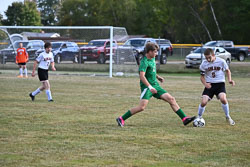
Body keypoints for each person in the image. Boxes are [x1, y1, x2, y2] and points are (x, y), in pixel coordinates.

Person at [116, 42, 196, 127]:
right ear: (149, 52)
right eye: (155, 51)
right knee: (141, 107)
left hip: (156, 85)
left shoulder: (152, 58)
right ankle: (121, 118)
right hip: (147, 87)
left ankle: (184, 118)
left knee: (171, 99)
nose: (156, 53)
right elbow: (142, 76)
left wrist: (157, 77)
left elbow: (151, 71)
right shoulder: (144, 62)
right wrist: (150, 87)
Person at [197, 48, 235, 125]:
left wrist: (230, 80)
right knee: (204, 102)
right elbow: (202, 77)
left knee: (223, 99)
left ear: (213, 55)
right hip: (209, 85)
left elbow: (228, 71)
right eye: (206, 57)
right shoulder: (204, 64)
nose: (207, 59)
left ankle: (228, 117)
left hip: (220, 84)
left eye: (209, 57)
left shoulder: (221, 61)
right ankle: (199, 117)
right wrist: (205, 84)